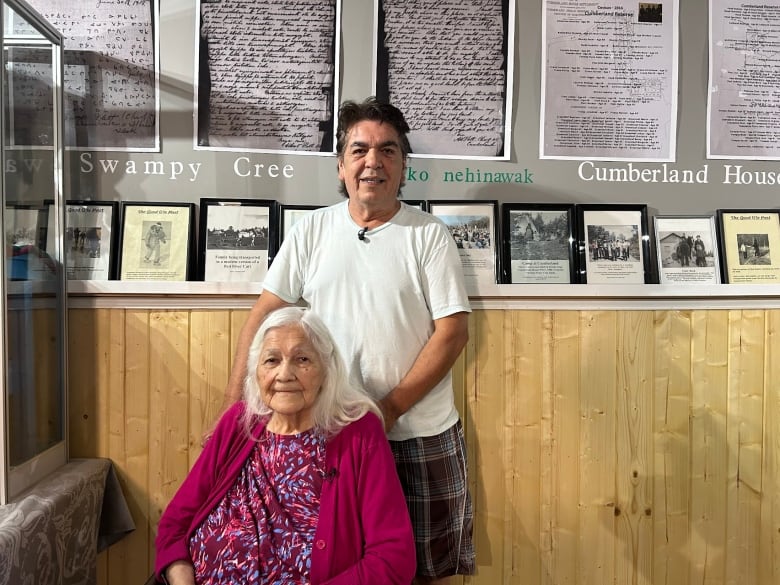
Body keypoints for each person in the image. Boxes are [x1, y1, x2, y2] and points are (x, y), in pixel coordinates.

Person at [216, 97, 475, 584]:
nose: (372, 161)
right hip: (329, 436)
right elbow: (263, 316)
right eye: (359, 150)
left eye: (387, 151)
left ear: (403, 166)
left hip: (416, 433)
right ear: (341, 165)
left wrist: (388, 410)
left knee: (421, 572)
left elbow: (453, 332)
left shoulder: (429, 235)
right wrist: (236, 410)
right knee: (338, 567)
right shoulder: (312, 230)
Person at [155, 306, 415, 584]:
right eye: (271, 360)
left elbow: (394, 556)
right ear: (256, 371)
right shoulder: (238, 423)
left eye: (302, 359)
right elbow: (175, 523)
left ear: (327, 370)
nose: (284, 374)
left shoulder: (358, 433)